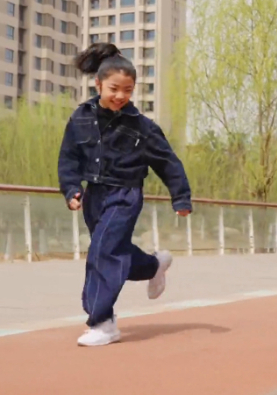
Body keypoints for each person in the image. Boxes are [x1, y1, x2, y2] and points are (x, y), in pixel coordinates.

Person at [57, 42, 193, 347]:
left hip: (125, 195)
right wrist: (71, 189)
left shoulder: (142, 127)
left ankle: (102, 321)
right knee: (113, 251)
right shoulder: (80, 118)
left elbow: (168, 162)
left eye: (128, 90)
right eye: (114, 89)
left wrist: (181, 197)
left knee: (103, 251)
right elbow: (68, 158)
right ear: (98, 84)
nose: (120, 96)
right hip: (94, 196)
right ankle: (154, 265)